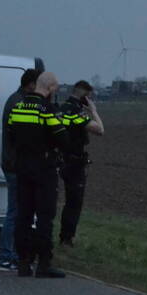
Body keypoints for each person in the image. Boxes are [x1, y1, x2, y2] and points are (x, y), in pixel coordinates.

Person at [6, 71, 69, 278]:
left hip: (23, 168)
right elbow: (63, 139)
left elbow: (11, 133)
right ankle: (43, 263)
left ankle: (23, 262)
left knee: (23, 215)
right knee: (44, 216)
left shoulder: (18, 107)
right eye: (55, 89)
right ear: (49, 88)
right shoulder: (47, 110)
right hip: (44, 168)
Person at [0, 67, 40, 271]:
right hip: (15, 165)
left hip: (13, 163)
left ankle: (11, 255)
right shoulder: (18, 103)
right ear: (31, 84)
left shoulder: (15, 99)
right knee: (15, 212)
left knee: (16, 211)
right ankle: (7, 256)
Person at [58, 80, 104, 246]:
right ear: (84, 94)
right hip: (75, 162)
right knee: (74, 202)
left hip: (60, 159)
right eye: (89, 96)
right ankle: (67, 238)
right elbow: (100, 130)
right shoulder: (76, 112)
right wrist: (93, 111)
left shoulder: (61, 109)